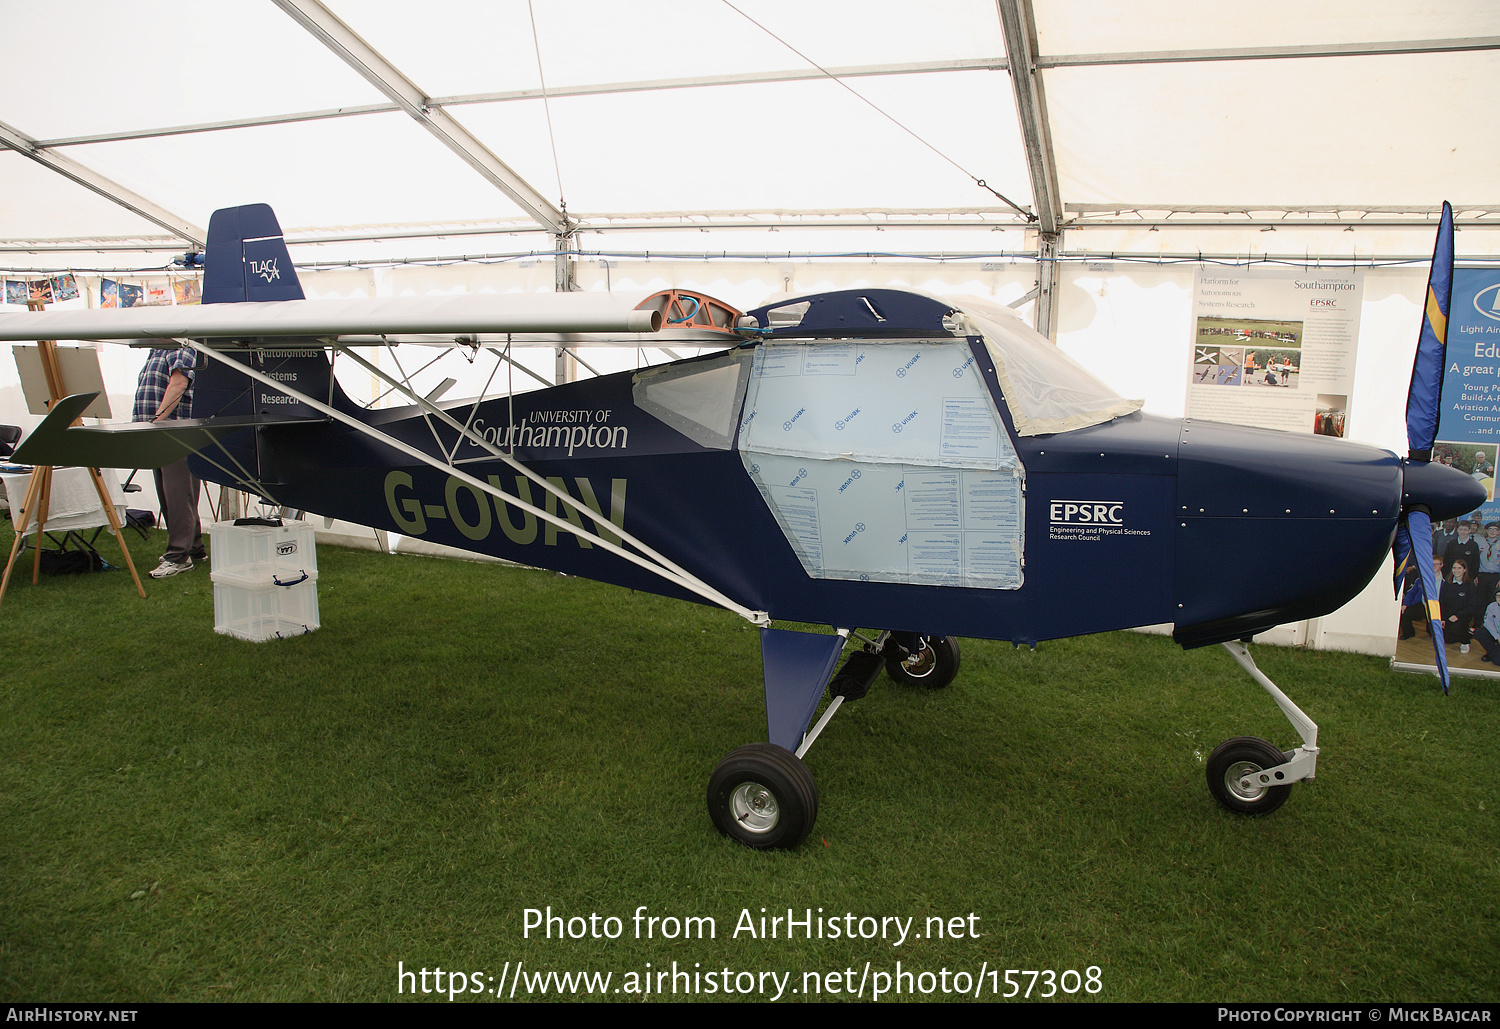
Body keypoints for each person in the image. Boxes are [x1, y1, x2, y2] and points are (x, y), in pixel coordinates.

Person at [133, 343, 204, 577]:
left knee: (177, 494)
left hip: (173, 430)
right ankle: (194, 548)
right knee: (172, 494)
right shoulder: (157, 350)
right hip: (158, 431)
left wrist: (156, 418)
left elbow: (179, 383)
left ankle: (178, 557)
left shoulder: (179, 348)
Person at [1440, 558, 1481, 653]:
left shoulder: (1470, 585)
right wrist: (1442, 618)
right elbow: (1442, 602)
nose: (1456, 570)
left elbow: (1471, 606)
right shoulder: (1447, 583)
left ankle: (1465, 641)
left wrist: (1457, 616)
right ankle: (1461, 632)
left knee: (1456, 628)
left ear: (1465, 570)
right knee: (1449, 640)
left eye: (1459, 568)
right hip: (1449, 615)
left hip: (1463, 615)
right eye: (1454, 568)